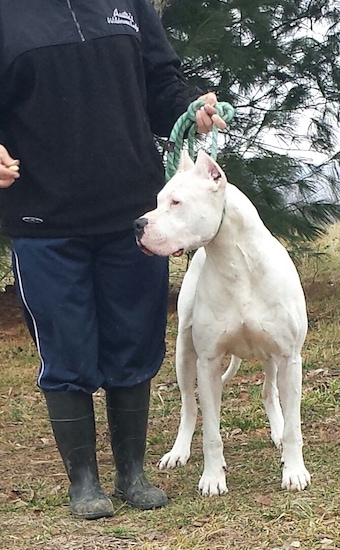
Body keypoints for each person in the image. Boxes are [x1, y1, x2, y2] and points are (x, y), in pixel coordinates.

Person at [0, 1, 226, 520]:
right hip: (44, 219)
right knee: (67, 351)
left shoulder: (127, 4)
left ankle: (132, 473)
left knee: (134, 341)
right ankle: (83, 483)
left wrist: (192, 107)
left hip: (135, 214)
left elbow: (160, 82)